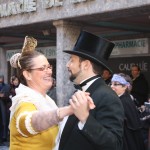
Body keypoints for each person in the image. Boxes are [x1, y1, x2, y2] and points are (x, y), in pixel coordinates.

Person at [9, 36, 94, 150]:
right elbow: (30, 121)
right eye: (42, 68)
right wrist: (70, 109)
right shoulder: (23, 102)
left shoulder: (46, 100)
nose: (49, 72)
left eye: (49, 67)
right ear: (27, 74)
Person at [55, 31, 124, 150]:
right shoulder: (81, 90)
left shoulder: (108, 96)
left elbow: (114, 144)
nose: (67, 65)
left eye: (72, 60)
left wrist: (85, 118)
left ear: (86, 65)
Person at [110, 73, 145, 150]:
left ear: (125, 86)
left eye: (116, 84)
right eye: (111, 83)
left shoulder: (123, 102)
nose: (112, 86)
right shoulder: (125, 99)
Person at [0, 74, 10, 145]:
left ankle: (4, 137)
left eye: (1, 78)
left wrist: (3, 96)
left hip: (4, 106)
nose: (1, 79)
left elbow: (8, 96)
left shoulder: (7, 86)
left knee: (4, 122)